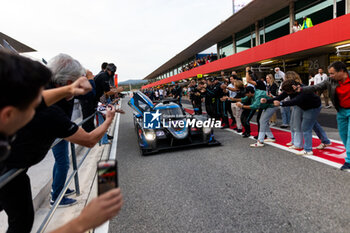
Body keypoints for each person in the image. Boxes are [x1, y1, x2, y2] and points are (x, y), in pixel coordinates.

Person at [0, 51, 122, 233]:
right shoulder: (50, 115)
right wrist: (82, 222)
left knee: (23, 220)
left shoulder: (18, 108)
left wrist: (70, 89)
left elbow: (41, 99)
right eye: (32, 108)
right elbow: (88, 140)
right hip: (9, 170)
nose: (39, 105)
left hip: (15, 170)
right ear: (8, 115)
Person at [295, 61, 350, 170]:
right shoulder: (330, 81)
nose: (330, 76)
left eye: (332, 73)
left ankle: (348, 161)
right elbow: (316, 87)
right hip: (341, 111)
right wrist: (301, 89)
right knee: (343, 135)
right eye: (329, 73)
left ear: (342, 71)